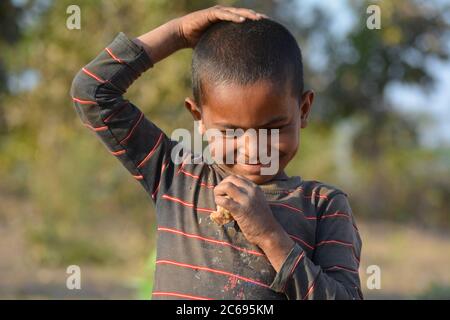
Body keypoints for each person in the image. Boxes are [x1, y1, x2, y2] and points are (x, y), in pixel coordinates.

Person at [71, 5, 362, 300]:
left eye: (273, 128)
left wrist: (269, 235)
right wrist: (178, 33)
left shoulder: (323, 206)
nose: (252, 149)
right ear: (198, 118)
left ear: (303, 110)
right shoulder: (175, 175)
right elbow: (92, 91)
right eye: (230, 131)